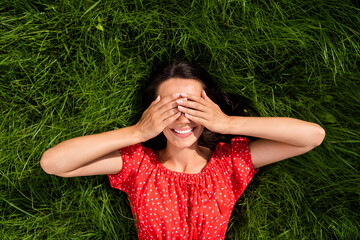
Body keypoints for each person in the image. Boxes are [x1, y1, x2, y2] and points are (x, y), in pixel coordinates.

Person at [40, 60, 325, 239]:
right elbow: (54, 163)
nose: (181, 118)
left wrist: (225, 123)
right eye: (169, 108)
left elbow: (312, 136)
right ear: (152, 111)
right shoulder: (139, 165)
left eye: (191, 106)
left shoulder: (228, 164)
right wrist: (138, 132)